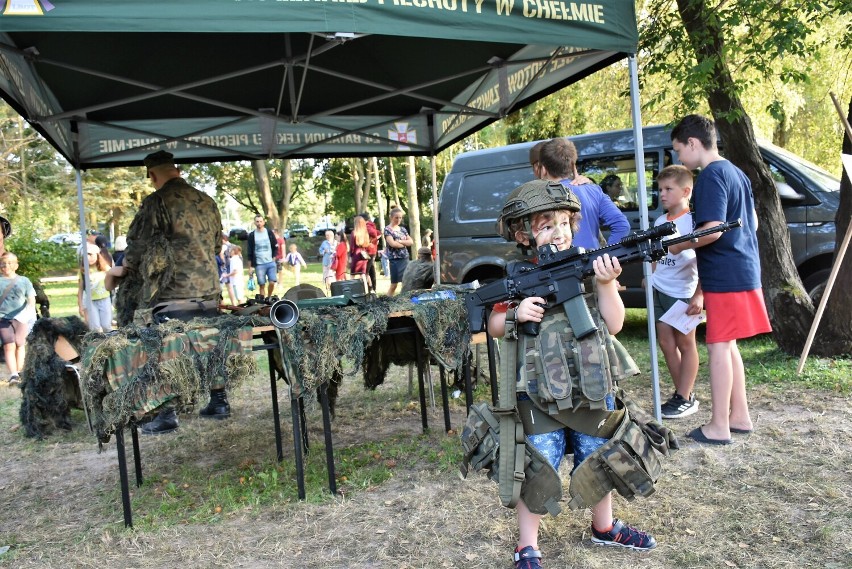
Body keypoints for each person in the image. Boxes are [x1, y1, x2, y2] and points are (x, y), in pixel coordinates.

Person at [486, 180, 658, 568]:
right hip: (536, 387)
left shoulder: (588, 263)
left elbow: (612, 324)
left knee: (597, 453)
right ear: (522, 234)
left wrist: (607, 283)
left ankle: (605, 526)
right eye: (547, 225)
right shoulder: (516, 275)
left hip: (590, 381)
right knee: (536, 463)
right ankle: (527, 545)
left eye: (565, 223)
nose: (559, 232)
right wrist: (515, 313)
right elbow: (493, 324)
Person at [668, 114, 771, 444]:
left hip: (725, 273)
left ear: (693, 143)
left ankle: (718, 426)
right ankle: (739, 416)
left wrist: (676, 244)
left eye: (679, 150)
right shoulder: (735, 172)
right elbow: (751, 224)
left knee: (717, 347)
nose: (679, 157)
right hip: (742, 268)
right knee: (728, 346)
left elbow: (711, 230)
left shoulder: (711, 175)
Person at [108, 150, 227, 435]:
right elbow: (216, 247)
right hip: (209, 289)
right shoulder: (207, 201)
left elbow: (137, 248)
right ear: (176, 169)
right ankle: (220, 401)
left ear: (152, 174)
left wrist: (124, 269)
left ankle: (166, 413)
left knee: (163, 348)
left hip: (172, 292)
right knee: (209, 345)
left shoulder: (156, 201)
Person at [652, 165, 701, 419]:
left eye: (668, 189)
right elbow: (654, 252)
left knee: (685, 342)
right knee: (666, 342)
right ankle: (683, 393)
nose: (662, 194)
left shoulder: (693, 221)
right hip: (660, 288)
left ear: (686, 191)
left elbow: (703, 258)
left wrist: (699, 295)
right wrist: (650, 275)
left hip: (683, 290)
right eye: (660, 189)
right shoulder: (661, 221)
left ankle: (684, 396)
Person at [537, 138, 630, 249]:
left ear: (543, 169)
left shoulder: (539, 198)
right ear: (573, 166)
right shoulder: (594, 190)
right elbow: (622, 226)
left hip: (559, 264)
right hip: (593, 262)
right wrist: (607, 257)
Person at [0, 252, 36, 385]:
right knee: (8, 345)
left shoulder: (24, 281)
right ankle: (13, 374)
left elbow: (31, 298)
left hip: (21, 318)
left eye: (10, 263)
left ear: (16, 265)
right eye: (3, 264)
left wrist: (28, 314)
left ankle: (20, 371)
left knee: (20, 344)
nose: (6, 266)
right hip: (3, 319)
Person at [77, 242, 113, 332]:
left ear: (97, 255)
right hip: (91, 301)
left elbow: (113, 279)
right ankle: (97, 344)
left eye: (91, 255)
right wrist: (80, 305)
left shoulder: (105, 268)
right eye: (86, 255)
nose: (89, 258)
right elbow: (80, 289)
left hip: (104, 299)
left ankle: (109, 343)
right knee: (95, 327)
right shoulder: (83, 271)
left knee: (106, 325)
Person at [246, 214, 279, 298]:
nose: (259, 223)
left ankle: (269, 297)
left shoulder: (269, 232)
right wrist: (250, 268)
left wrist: (274, 258)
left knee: (272, 282)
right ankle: (263, 302)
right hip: (259, 264)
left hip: (270, 262)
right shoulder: (252, 235)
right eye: (257, 221)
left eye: (261, 221)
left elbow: (275, 245)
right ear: (254, 223)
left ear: (263, 222)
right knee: (262, 284)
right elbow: (249, 252)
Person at [383, 207, 414, 296]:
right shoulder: (387, 230)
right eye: (396, 217)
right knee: (394, 284)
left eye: (400, 217)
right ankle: (386, 302)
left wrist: (400, 241)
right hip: (395, 260)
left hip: (405, 258)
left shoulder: (403, 229)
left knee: (407, 282)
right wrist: (405, 243)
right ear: (391, 217)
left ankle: (405, 300)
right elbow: (393, 244)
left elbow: (411, 242)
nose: (398, 219)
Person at [349, 216, 373, 291]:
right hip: (363, 255)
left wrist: (350, 256)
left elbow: (352, 247)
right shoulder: (365, 233)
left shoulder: (354, 233)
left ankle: (351, 290)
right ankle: (366, 291)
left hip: (356, 255)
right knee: (363, 274)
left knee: (352, 274)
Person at [360, 213, 380, 293]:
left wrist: (370, 241)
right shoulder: (371, 225)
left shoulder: (367, 226)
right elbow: (378, 233)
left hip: (369, 251)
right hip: (372, 250)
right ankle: (372, 289)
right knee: (371, 270)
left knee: (366, 271)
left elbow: (375, 234)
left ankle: (369, 288)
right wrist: (375, 241)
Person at [219, 232, 237, 305]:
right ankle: (234, 304)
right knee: (230, 287)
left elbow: (222, 257)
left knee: (221, 289)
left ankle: (222, 307)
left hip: (225, 268)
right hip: (231, 268)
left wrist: (223, 265)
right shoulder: (234, 246)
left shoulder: (223, 247)